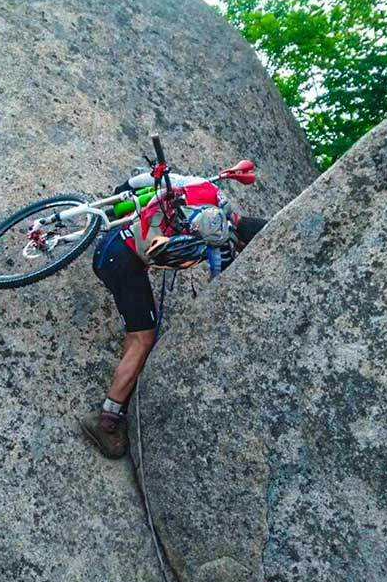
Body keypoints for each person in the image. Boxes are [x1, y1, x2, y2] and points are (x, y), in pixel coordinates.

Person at [78, 169, 266, 459]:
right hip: (123, 262)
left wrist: (124, 188)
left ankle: (123, 391)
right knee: (144, 338)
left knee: (138, 332)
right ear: (242, 242)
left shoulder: (208, 192)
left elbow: (150, 178)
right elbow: (220, 284)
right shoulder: (221, 241)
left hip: (115, 246)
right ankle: (106, 420)